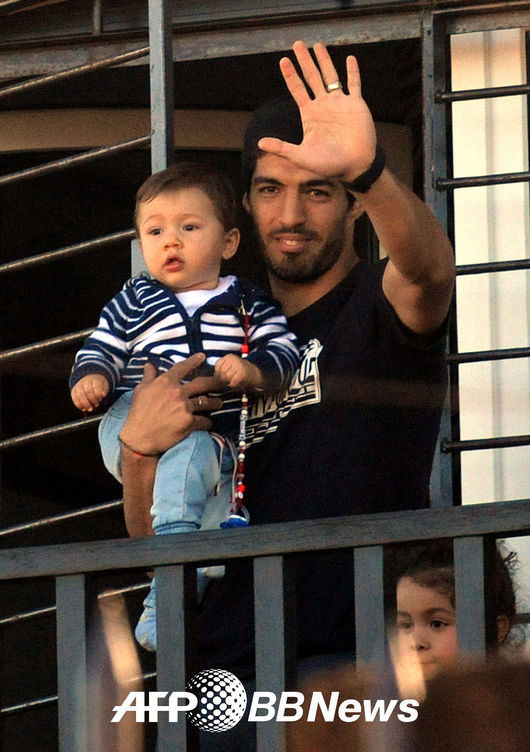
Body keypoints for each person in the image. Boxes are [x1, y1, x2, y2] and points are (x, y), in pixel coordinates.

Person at [117, 41, 455, 749]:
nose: (291, 213)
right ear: (244, 205)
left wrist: (369, 172)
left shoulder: (376, 305)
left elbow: (428, 273)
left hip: (355, 668)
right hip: (220, 683)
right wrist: (138, 451)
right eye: (271, 189)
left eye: (319, 190)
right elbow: (155, 541)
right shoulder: (202, 332)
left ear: (352, 207)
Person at [69, 162, 300, 651]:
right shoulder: (136, 297)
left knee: (202, 480)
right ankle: (185, 561)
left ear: (229, 242)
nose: (170, 241)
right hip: (128, 415)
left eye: (189, 228)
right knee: (189, 479)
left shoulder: (248, 302)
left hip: (207, 434)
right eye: (155, 232)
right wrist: (92, 377)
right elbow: (103, 345)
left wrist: (254, 371)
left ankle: (172, 584)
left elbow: (283, 349)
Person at [390, 540, 518, 687]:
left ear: (495, 630)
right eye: (405, 625)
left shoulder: (516, 697)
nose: (417, 643)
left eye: (437, 624)